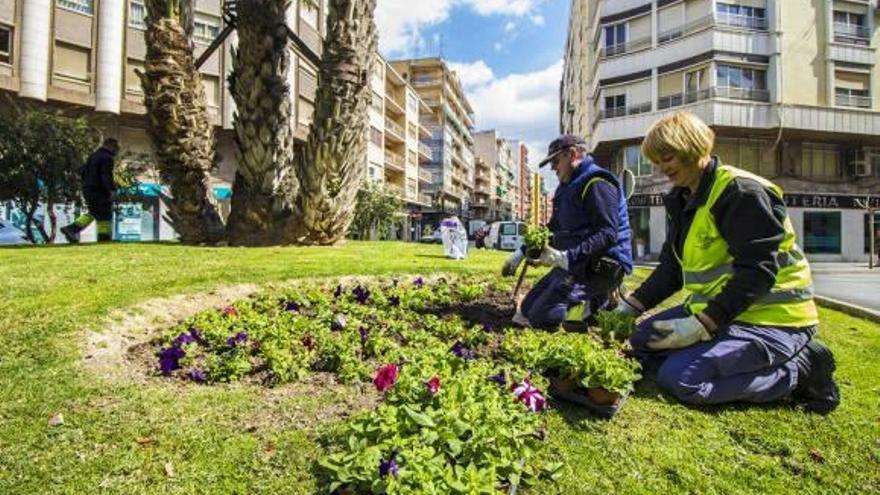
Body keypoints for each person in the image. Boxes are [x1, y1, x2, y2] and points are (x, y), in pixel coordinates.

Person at [617, 111, 839, 414]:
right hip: (724, 311)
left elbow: (758, 272)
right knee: (641, 340)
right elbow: (672, 269)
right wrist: (630, 307)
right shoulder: (684, 198)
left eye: (666, 158)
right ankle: (716, 351)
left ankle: (802, 368)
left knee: (682, 379)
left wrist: (701, 325)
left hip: (773, 319)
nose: (659, 169)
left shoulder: (740, 192)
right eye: (656, 161)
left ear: (691, 147)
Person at [502, 134, 633, 328]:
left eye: (555, 161)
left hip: (602, 265)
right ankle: (597, 301)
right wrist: (521, 252)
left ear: (572, 154)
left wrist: (565, 258)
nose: (553, 168)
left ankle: (603, 301)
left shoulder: (597, 182)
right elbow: (553, 228)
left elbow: (607, 234)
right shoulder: (567, 187)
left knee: (543, 316)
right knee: (528, 309)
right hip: (577, 264)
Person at [61, 138, 119, 243]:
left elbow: (82, 171)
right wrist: (111, 189)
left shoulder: (93, 156)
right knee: (105, 214)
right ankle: (104, 238)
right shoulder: (107, 158)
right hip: (99, 189)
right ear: (110, 146)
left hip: (88, 188)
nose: (117, 150)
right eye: (116, 147)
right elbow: (106, 175)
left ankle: (71, 229)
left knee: (94, 212)